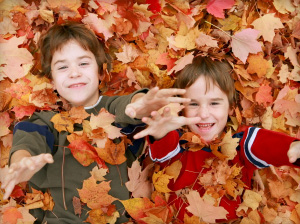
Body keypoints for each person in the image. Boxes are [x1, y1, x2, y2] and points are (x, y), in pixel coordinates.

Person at [1, 22, 191, 223]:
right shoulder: (45, 122)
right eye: (63, 67)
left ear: (101, 72)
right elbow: (28, 142)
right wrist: (22, 162)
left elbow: (126, 106)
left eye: (83, 63)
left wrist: (140, 104)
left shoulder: (111, 110)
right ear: (52, 81)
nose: (74, 73)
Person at [133, 56, 300, 222]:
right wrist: (160, 132)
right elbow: (163, 147)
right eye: (193, 104)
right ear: (182, 109)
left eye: (214, 103)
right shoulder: (177, 147)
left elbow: (262, 144)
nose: (204, 114)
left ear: (230, 108)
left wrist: (291, 148)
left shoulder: (238, 148)